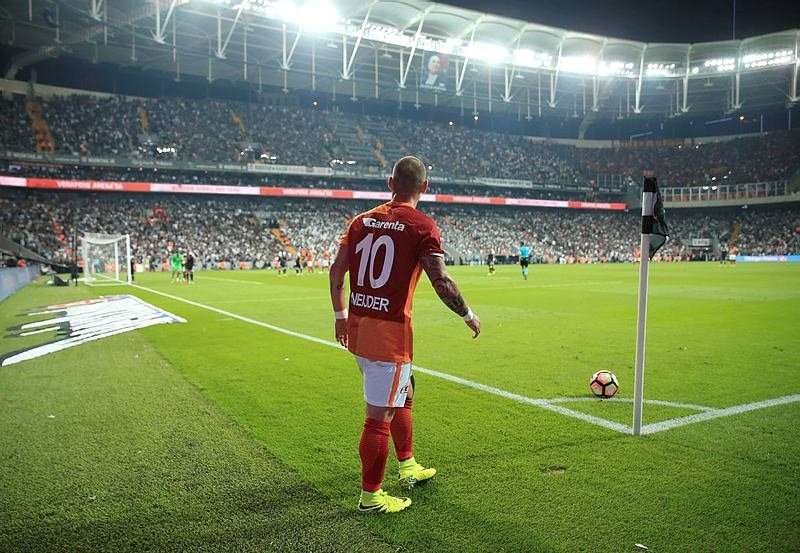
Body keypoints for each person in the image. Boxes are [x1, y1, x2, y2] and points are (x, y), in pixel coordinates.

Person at [329, 156, 481, 515]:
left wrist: (340, 317)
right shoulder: (421, 225)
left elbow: (336, 272)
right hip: (390, 336)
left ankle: (408, 464)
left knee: (405, 392)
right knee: (378, 416)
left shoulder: (360, 221)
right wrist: (467, 314)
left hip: (359, 329)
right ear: (424, 187)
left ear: (390, 183)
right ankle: (370, 497)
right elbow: (441, 281)